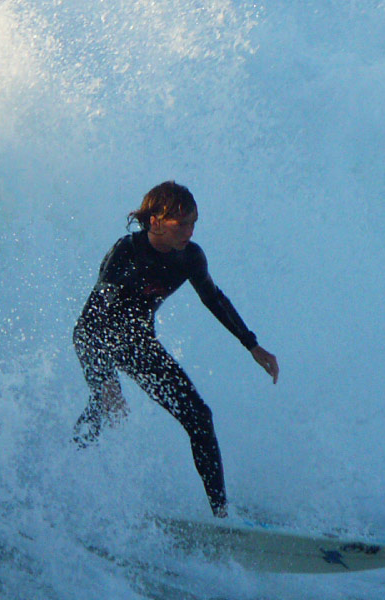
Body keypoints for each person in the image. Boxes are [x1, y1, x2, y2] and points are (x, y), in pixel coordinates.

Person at [72, 181, 278, 518]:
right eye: (180, 223)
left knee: (199, 417)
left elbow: (213, 298)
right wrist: (103, 378)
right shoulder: (126, 252)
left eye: (193, 222)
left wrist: (252, 344)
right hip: (99, 338)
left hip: (139, 345)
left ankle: (222, 515)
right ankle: (69, 463)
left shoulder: (190, 257)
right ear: (155, 221)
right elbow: (90, 321)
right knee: (104, 404)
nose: (189, 231)